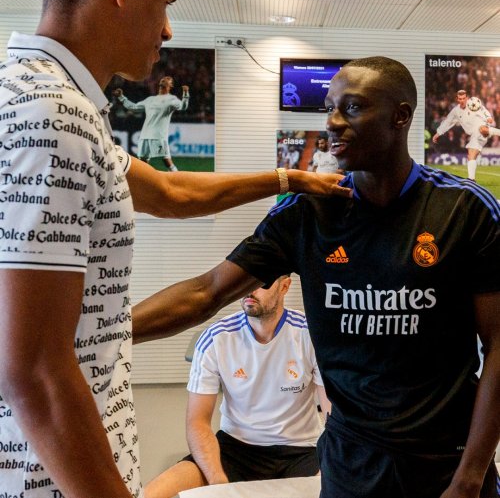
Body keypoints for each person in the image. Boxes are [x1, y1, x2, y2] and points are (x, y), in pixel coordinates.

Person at [0, 0, 352, 498]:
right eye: (164, 2)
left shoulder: (40, 97)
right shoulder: (52, 117)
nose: (167, 28)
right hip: (47, 477)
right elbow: (33, 368)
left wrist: (288, 179)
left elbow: (167, 190)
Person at [133, 56, 500, 498]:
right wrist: (103, 334)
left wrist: (469, 478)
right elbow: (206, 292)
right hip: (349, 467)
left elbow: (499, 344)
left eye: (352, 108)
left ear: (400, 116)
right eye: (329, 107)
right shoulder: (307, 211)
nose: (333, 122)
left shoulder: (466, 209)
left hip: (446, 466)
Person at [145, 275, 330, 498]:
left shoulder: (311, 335)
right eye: (245, 283)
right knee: (151, 493)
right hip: (236, 447)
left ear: (284, 287)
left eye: (262, 283)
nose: (250, 291)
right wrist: (218, 482)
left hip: (301, 449)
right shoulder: (215, 339)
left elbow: (334, 416)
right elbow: (197, 422)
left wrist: (330, 469)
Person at [114, 75, 189, 171]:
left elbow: (183, 107)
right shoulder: (150, 100)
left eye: (167, 80)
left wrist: (185, 93)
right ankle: (144, 182)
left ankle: (177, 176)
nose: (164, 79)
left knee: (167, 161)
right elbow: (133, 107)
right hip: (145, 135)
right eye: (163, 79)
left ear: (171, 86)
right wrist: (121, 97)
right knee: (143, 162)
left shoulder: (172, 99)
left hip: (158, 135)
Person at [432, 89, 495, 180]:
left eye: (464, 98)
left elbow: (483, 109)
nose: (462, 100)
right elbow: (448, 122)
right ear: (457, 99)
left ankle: (471, 179)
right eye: (460, 99)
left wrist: (488, 117)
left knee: (470, 152)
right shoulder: (456, 111)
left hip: (480, 130)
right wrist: (438, 133)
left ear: (467, 98)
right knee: (471, 156)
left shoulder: (473, 103)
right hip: (474, 135)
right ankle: (471, 179)